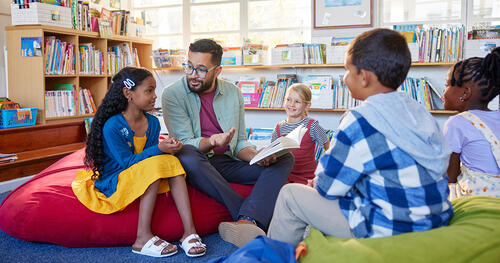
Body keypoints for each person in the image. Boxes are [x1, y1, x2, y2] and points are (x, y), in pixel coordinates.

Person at [267, 28, 453, 247]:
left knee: (290, 195)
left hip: (388, 225)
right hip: (434, 217)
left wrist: (317, 182)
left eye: (347, 70)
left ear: (363, 77)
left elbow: (328, 186)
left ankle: (271, 253)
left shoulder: (360, 119)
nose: (345, 78)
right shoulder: (418, 110)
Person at [162, 39, 294, 248]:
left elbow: (240, 141)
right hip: (195, 162)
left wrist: (257, 155)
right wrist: (212, 141)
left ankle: (246, 221)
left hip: (225, 162)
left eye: (201, 69)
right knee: (187, 153)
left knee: (285, 158)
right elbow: (184, 142)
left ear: (218, 70)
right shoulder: (172, 94)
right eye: (189, 66)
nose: (193, 74)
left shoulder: (233, 92)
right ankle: (247, 213)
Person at [72, 67, 206, 258]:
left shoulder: (152, 123)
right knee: (153, 166)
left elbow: (151, 157)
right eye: (149, 90)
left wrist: (169, 147)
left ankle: (189, 231)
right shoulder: (113, 125)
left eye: (154, 90)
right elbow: (127, 162)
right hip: (117, 177)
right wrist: (159, 149)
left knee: (171, 161)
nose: (154, 96)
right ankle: (142, 237)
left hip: (140, 173)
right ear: (129, 93)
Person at [443, 47, 500, 199]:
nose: (444, 91)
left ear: (465, 93)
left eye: (447, 85)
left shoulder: (457, 123)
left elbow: (450, 174)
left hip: (476, 201)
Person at [271, 83, 330, 184]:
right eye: (288, 100)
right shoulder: (279, 127)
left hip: (307, 179)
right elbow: (272, 153)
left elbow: (329, 148)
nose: (291, 104)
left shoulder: (312, 125)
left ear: (307, 105)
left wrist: (324, 172)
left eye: (297, 101)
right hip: (284, 176)